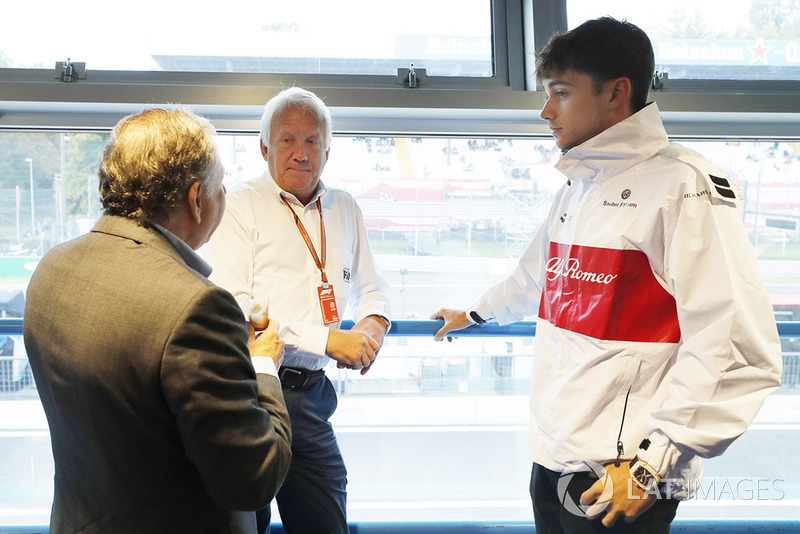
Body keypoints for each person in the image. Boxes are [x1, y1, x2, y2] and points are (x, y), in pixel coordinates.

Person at [431, 17, 782, 533]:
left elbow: (735, 347)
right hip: (555, 452)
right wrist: (476, 313)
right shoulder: (579, 186)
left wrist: (651, 465)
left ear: (617, 92)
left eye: (560, 93)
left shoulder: (684, 186)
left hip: (624, 472)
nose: (546, 111)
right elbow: (535, 279)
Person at [23, 107, 292, 534]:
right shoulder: (198, 307)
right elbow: (252, 480)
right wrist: (261, 365)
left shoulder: (51, 270)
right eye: (220, 185)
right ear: (196, 199)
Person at [206, 86, 391, 534]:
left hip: (311, 397)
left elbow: (374, 288)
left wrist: (371, 327)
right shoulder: (239, 205)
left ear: (328, 148)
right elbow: (235, 304)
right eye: (287, 140)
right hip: (248, 391)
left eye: (312, 141)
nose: (300, 153)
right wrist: (329, 339)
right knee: (244, 524)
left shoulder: (345, 206)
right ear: (264, 147)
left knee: (326, 521)